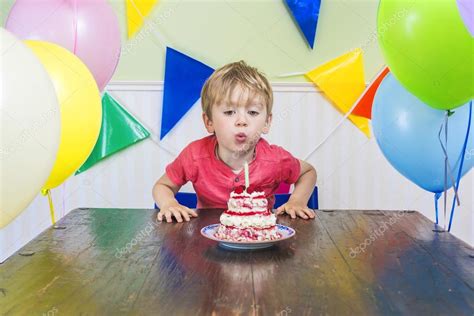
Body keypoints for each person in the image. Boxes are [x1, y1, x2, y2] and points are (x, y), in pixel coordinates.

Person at [152, 61, 317, 223]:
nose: (242, 121)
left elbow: (307, 172)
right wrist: (169, 204)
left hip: (260, 240)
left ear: (267, 122)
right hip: (208, 242)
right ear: (209, 122)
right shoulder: (194, 155)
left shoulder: (275, 159)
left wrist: (297, 201)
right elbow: (162, 186)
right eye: (229, 112)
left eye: (252, 112)